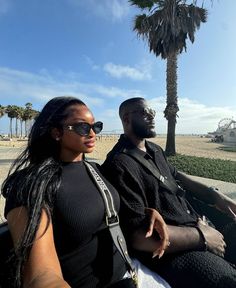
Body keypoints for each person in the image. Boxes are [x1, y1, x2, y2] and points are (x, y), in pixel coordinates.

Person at [1, 96, 171, 288]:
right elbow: (41, 275)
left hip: (130, 272)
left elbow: (106, 210)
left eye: (95, 126)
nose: (92, 133)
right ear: (57, 132)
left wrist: (148, 212)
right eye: (83, 127)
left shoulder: (95, 170)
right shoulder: (32, 184)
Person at [101, 97, 236, 288]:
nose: (151, 116)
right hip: (174, 250)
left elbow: (177, 177)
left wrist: (218, 198)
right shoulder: (119, 164)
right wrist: (202, 236)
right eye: (144, 112)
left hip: (197, 221)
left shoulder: (154, 149)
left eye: (152, 112)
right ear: (126, 119)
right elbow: (138, 236)